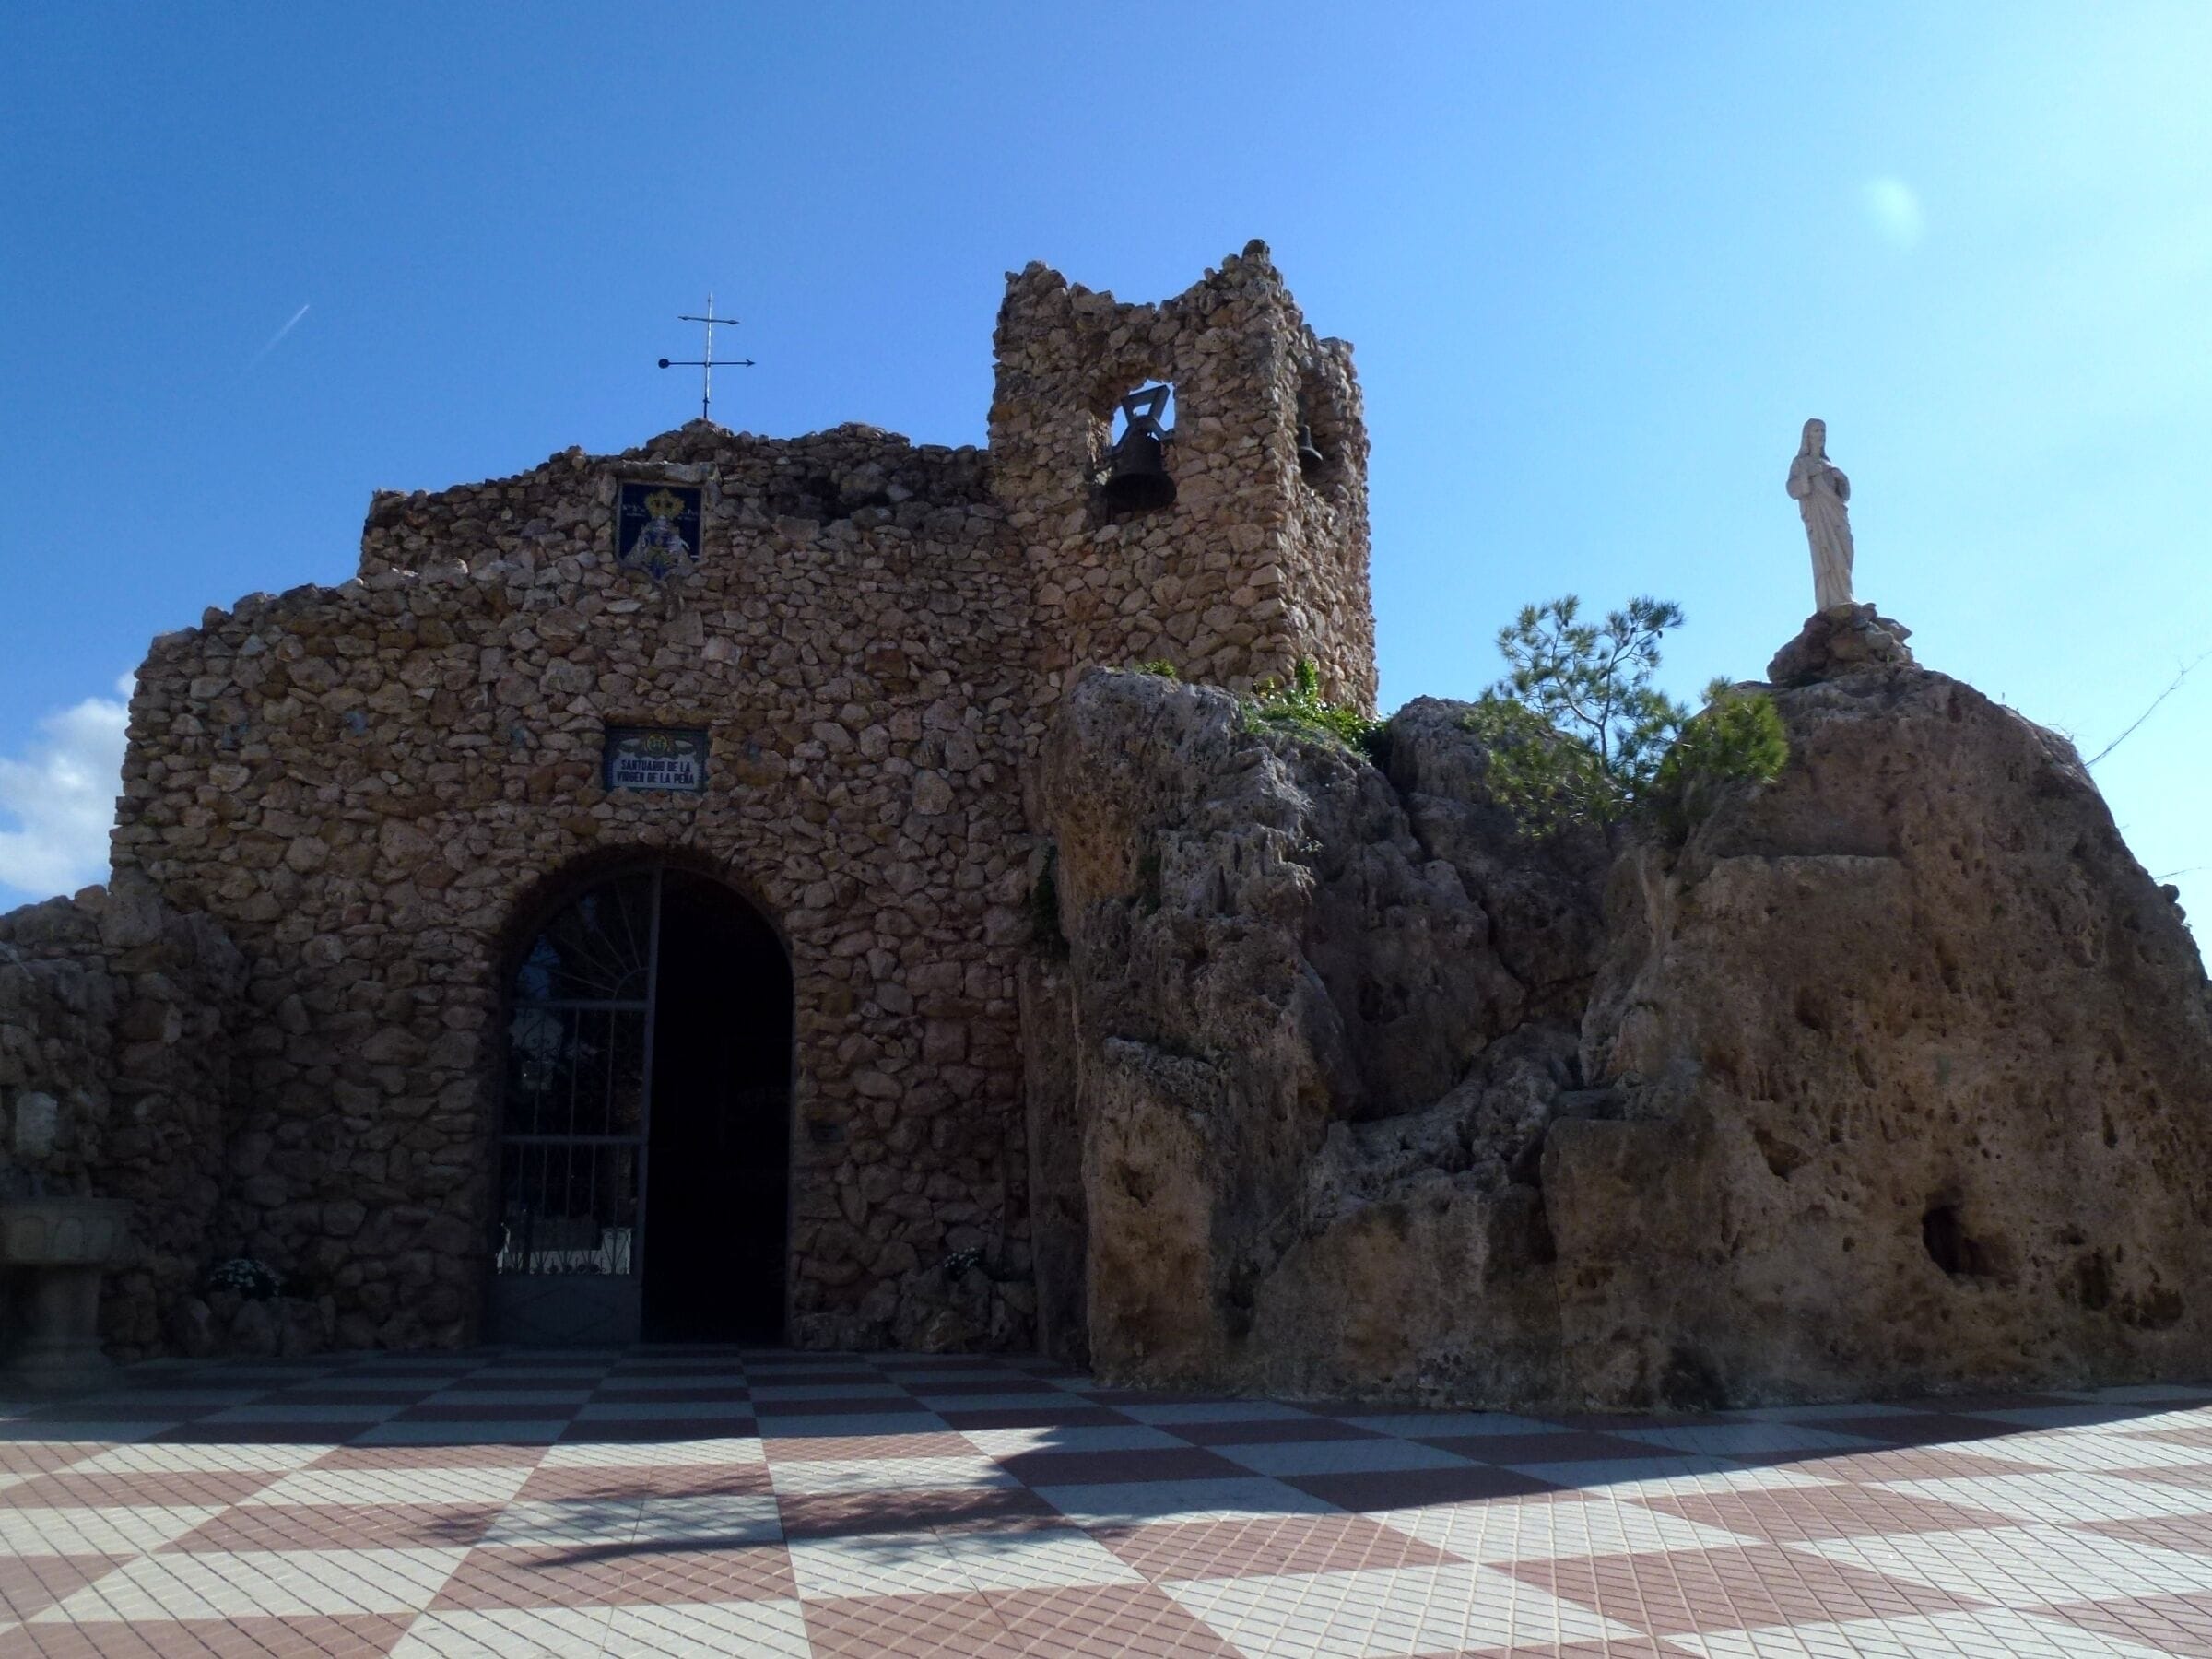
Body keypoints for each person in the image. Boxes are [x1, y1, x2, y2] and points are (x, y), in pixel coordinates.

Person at [1787, 418, 1854, 611]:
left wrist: (1842, 480)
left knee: (1846, 549)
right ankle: (1830, 601)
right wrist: (1808, 475)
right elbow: (1792, 490)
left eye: (1823, 431)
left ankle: (1846, 595)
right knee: (1826, 556)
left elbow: (1843, 495)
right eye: (1816, 431)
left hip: (1837, 516)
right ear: (1807, 436)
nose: (1821, 435)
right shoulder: (1801, 463)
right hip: (1819, 518)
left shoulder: (1829, 465)